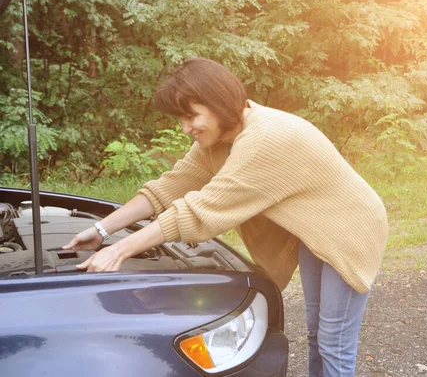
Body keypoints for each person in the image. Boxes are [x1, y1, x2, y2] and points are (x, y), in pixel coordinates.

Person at [64, 57, 388, 377]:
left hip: (349, 229)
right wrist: (101, 229)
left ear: (217, 104)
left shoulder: (262, 140)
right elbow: (171, 187)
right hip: (316, 228)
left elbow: (201, 211)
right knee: (317, 334)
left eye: (191, 116)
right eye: (181, 118)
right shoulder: (218, 139)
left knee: (334, 343)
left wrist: (121, 250)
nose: (186, 128)